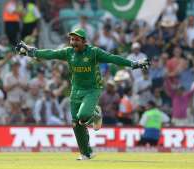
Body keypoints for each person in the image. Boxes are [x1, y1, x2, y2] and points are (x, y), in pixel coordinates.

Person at [15, 28, 149, 160]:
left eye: (76, 40)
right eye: (72, 39)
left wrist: (133, 64)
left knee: (83, 116)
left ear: (84, 41)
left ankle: (95, 113)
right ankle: (86, 153)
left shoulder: (94, 52)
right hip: (75, 91)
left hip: (92, 89)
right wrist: (30, 52)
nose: (73, 42)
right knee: (76, 124)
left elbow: (113, 58)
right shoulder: (68, 52)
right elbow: (50, 53)